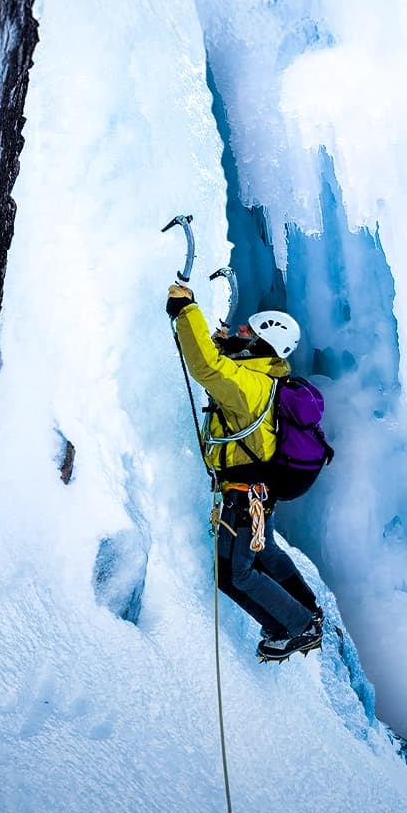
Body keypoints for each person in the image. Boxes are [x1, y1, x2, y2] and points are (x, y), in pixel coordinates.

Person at [167, 283, 322, 662]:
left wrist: (186, 312)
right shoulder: (260, 379)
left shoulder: (250, 386)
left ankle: (297, 625)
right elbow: (224, 363)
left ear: (263, 342)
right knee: (264, 550)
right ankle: (307, 608)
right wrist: (219, 338)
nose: (239, 331)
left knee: (232, 574)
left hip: (242, 495)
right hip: (257, 493)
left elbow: (207, 367)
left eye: (249, 331)